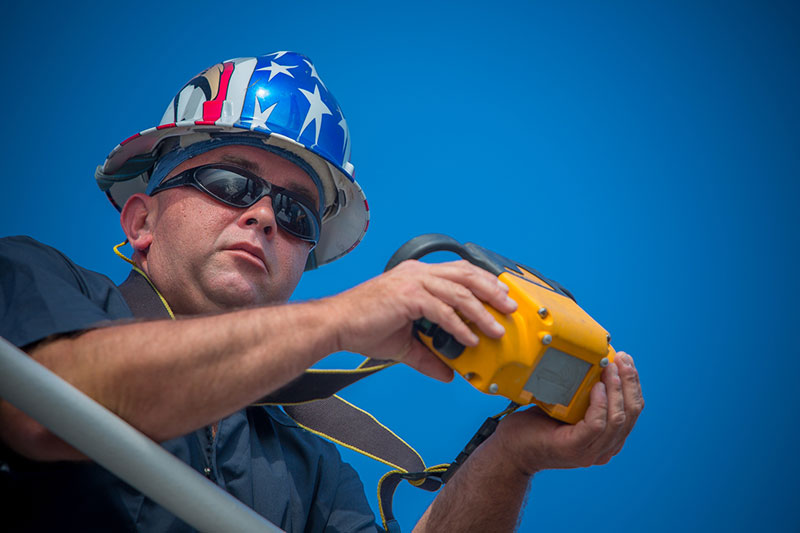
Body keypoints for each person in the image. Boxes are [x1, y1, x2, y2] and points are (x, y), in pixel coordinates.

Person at [0, 52, 644, 532]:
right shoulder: (30, 278)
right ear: (141, 220)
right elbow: (45, 408)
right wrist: (341, 319)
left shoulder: (309, 474)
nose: (262, 217)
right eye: (229, 182)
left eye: (296, 212)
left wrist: (511, 457)